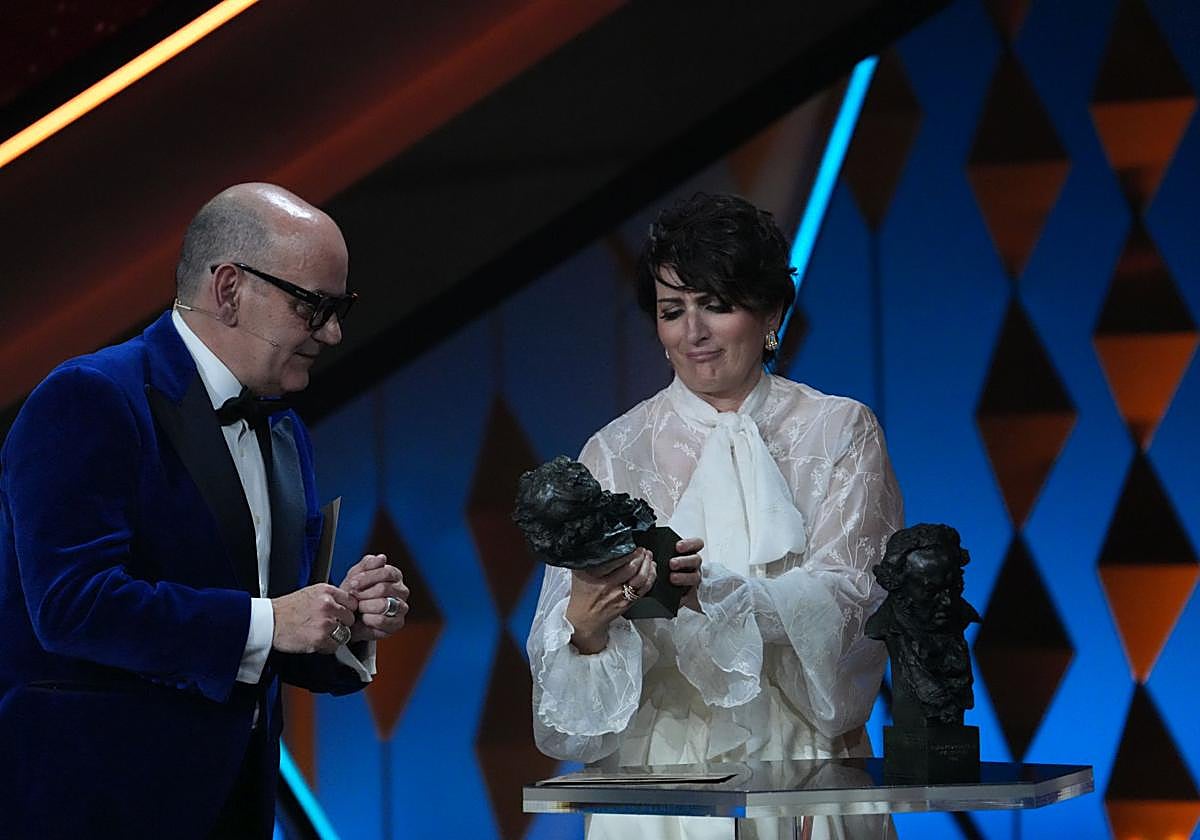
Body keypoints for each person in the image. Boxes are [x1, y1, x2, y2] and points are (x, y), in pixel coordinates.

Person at [0, 183, 410, 838]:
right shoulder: (89, 398)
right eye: (314, 306)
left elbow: (256, 642)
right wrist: (273, 620)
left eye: (342, 308)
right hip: (94, 808)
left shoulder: (283, 429)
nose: (332, 332)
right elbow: (74, 606)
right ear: (228, 289)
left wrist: (341, 619)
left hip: (235, 808)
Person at [527, 192, 903, 839]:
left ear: (771, 314)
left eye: (717, 305)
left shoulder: (839, 430)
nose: (693, 333)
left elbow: (859, 604)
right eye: (673, 311)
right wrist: (586, 629)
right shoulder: (615, 448)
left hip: (805, 769)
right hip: (658, 782)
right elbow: (564, 653)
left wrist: (722, 597)